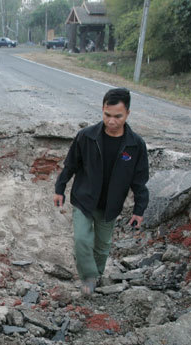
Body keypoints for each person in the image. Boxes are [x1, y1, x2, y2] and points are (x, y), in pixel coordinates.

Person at [53, 88, 149, 295]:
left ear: (128, 114)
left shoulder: (135, 146)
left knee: (103, 245)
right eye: (107, 115)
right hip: (84, 199)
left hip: (111, 204)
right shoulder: (86, 137)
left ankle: (95, 274)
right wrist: (59, 188)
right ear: (102, 110)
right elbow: (70, 165)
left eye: (118, 116)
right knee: (81, 239)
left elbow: (140, 181)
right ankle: (88, 276)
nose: (111, 121)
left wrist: (139, 210)